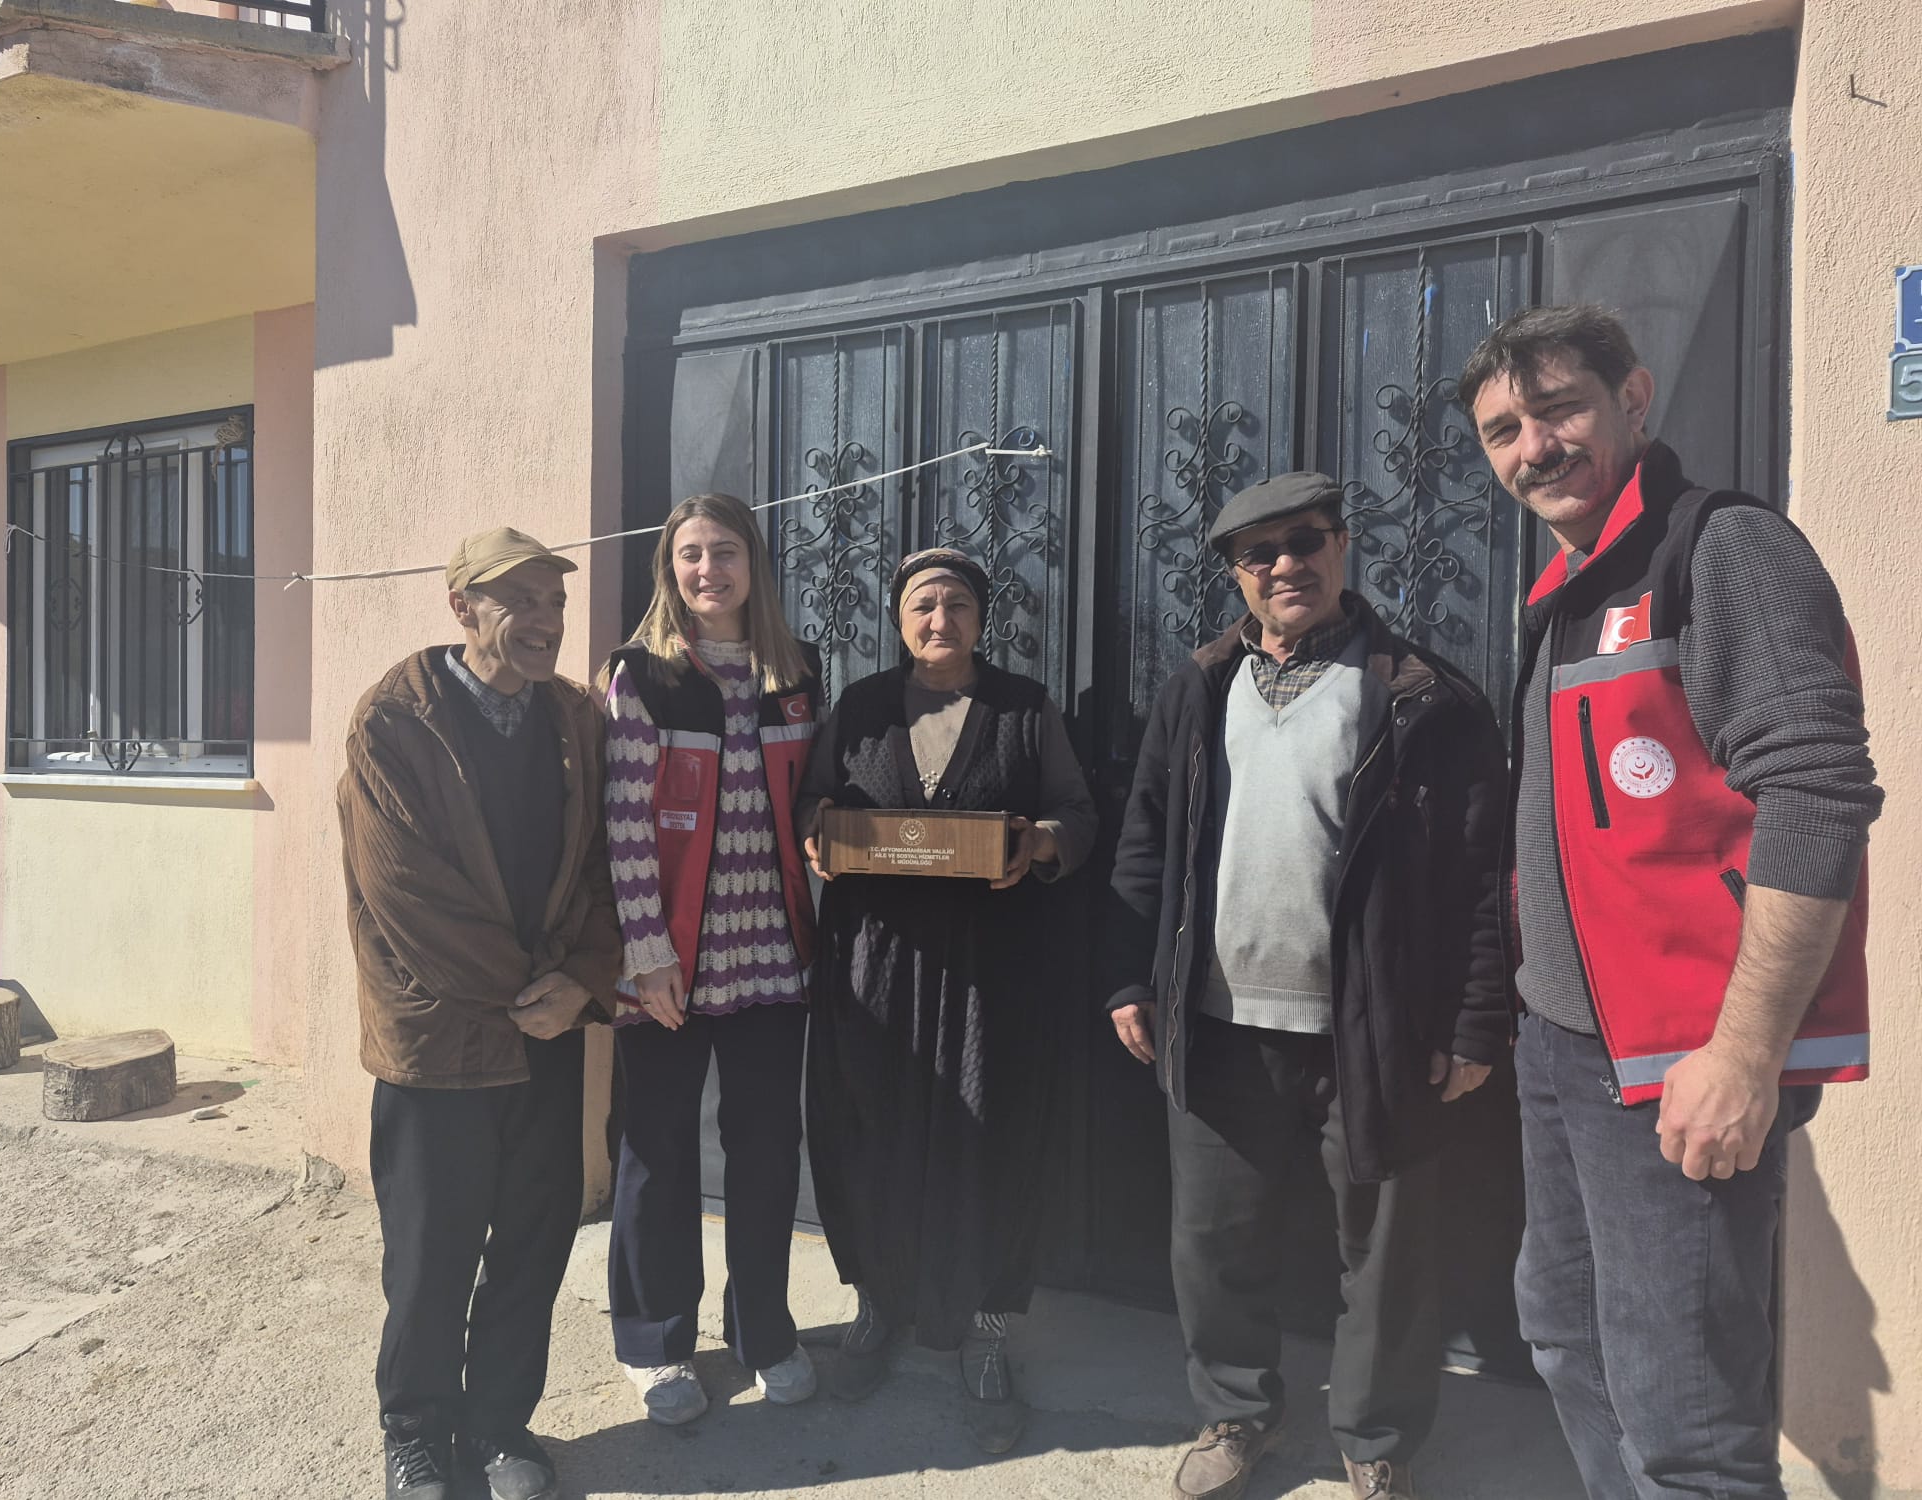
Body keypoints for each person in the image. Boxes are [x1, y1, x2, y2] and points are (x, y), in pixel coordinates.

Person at [1459, 303, 1881, 1499]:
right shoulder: (1571, 583)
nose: (1533, 447)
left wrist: (1741, 1057)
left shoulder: (1719, 550)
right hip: (1564, 1048)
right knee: (1565, 1336)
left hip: (1675, 1060)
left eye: (1558, 410)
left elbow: (1815, 793)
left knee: (1683, 1417)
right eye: (1502, 431)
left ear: (1631, 401)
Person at [1106, 474, 1508, 1500]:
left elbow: (1478, 878)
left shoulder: (1422, 698)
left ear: (1341, 546)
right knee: (1212, 1244)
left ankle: (1375, 1438)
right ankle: (1235, 1412)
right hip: (1217, 1025)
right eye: (1261, 553)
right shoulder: (1199, 689)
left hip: (1370, 1033)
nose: (1287, 564)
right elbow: (1144, 845)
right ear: (1235, 576)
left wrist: (1472, 1023)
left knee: (1384, 1254)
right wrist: (1127, 978)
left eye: (1306, 540)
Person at [338, 526, 624, 1500]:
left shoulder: (576, 720)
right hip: (440, 1040)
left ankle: (500, 1425)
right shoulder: (393, 723)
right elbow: (406, 895)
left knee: (533, 1242)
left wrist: (584, 979)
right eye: (520, 601)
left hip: (549, 1029)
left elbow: (606, 866)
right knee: (432, 1253)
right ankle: (414, 1433)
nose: (545, 620)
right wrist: (533, 992)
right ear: (462, 607)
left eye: (555, 602)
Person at [796, 548, 1097, 1454]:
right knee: (870, 1128)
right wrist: (817, 834)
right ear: (898, 619)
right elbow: (812, 801)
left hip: (990, 970)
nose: (940, 620)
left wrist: (1038, 844)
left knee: (990, 1135)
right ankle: (877, 1305)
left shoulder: (1025, 709)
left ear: (980, 617)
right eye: (923, 604)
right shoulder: (859, 708)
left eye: (957, 604)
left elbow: (1078, 813)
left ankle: (988, 1328)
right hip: (874, 966)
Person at [598, 492, 823, 1427]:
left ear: (752, 563)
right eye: (690, 554)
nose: (707, 571)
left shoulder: (795, 671)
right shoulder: (643, 673)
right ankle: (654, 1344)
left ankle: (762, 1330)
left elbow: (813, 799)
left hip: (772, 956)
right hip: (670, 960)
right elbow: (624, 822)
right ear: (669, 568)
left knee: (766, 1150)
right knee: (656, 1153)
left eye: (724, 552)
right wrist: (647, 952)